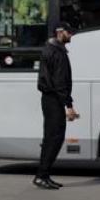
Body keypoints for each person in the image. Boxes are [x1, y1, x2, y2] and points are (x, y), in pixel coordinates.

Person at [34, 22, 79, 190]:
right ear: (60, 33)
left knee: (51, 137)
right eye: (69, 32)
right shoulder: (57, 53)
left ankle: (44, 175)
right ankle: (41, 175)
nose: (71, 35)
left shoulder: (50, 49)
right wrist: (69, 105)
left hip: (50, 98)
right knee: (54, 138)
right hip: (54, 99)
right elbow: (60, 82)